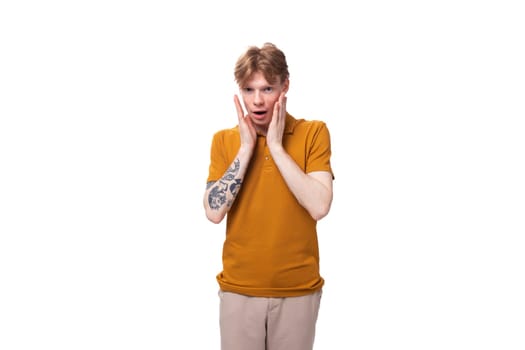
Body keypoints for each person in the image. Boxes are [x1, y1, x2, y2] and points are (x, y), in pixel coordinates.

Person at [203, 42, 334, 350]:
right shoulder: (225, 141)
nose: (258, 101)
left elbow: (319, 205)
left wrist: (275, 147)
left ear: (285, 86)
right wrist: (247, 148)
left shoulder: (313, 133)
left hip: (298, 290)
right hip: (239, 289)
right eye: (248, 90)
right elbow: (213, 211)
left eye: (267, 88)